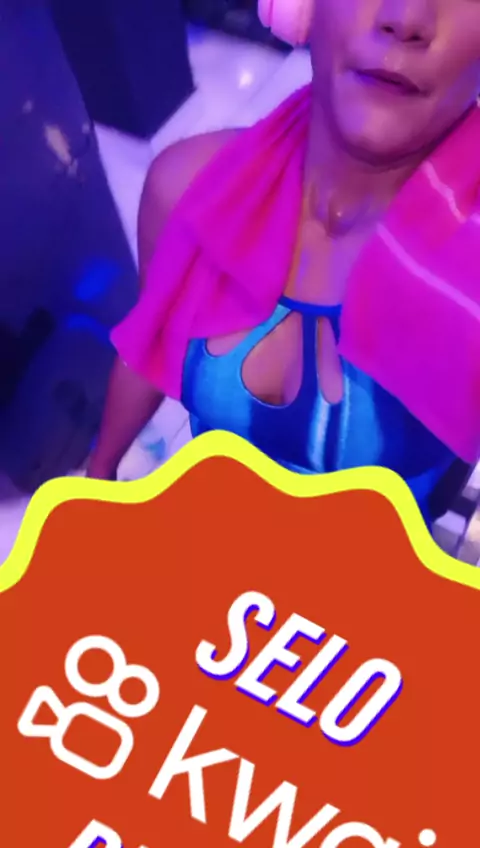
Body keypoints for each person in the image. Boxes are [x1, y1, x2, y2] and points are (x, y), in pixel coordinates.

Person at [87, 0, 480, 526]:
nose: (406, 18)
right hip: (219, 532)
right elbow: (148, 341)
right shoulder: (186, 187)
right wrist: (98, 480)